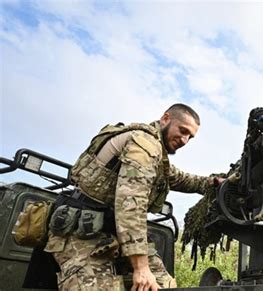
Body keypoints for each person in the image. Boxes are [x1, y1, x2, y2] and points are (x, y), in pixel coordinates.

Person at [44, 103, 223, 291]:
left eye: (190, 137)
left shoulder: (155, 151)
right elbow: (131, 204)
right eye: (183, 130)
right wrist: (141, 267)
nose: (185, 140)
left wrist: (212, 182)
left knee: (163, 285)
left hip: (115, 232)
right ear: (165, 119)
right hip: (82, 234)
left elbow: (179, 178)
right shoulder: (144, 145)